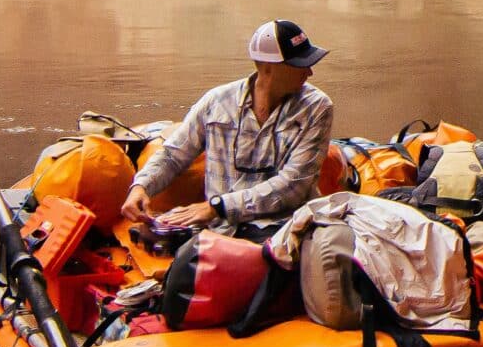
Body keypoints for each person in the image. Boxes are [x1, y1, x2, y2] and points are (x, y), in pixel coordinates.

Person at [122, 19, 336, 233]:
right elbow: (173, 155)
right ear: (269, 68)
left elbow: (294, 185)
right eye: (299, 65)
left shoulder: (317, 107)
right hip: (221, 230)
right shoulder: (216, 102)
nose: (309, 73)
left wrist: (219, 207)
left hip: (285, 230)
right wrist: (141, 187)